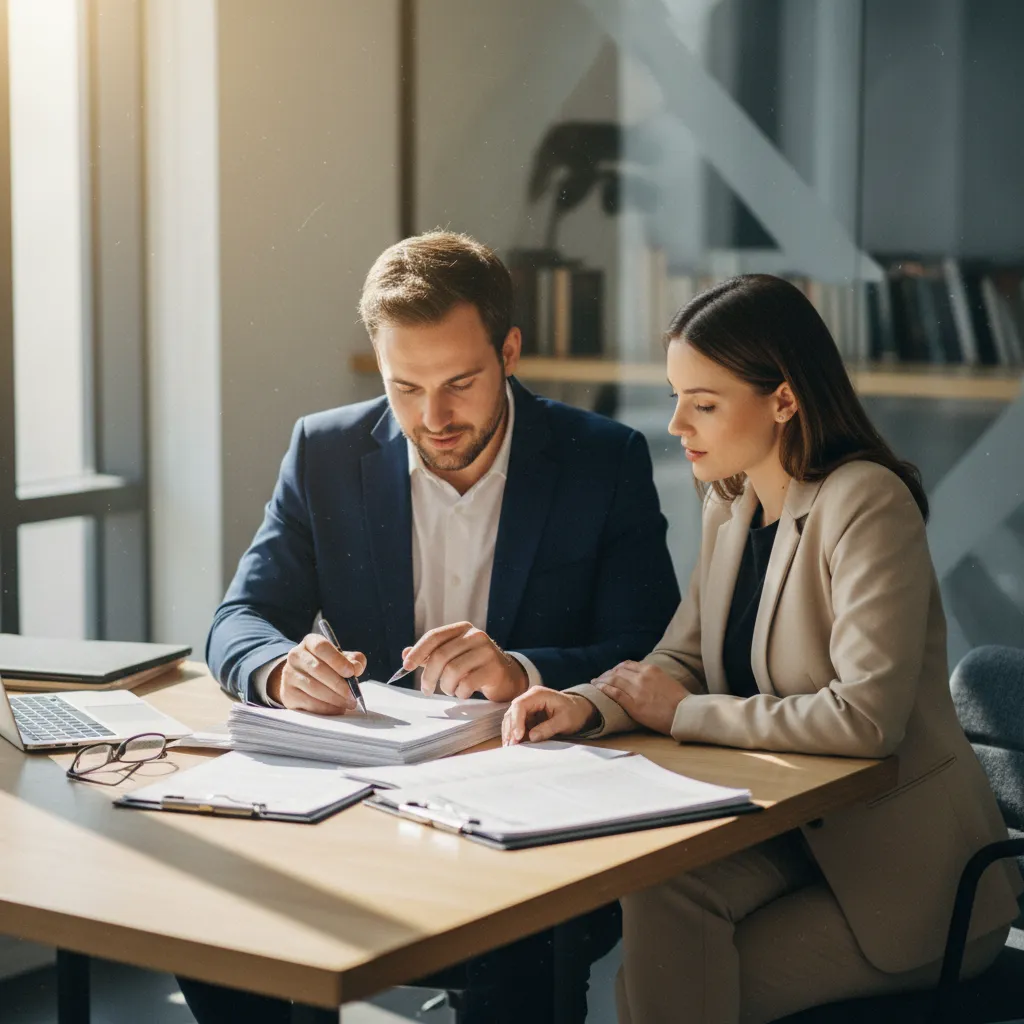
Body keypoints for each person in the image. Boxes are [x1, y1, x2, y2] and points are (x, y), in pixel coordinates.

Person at [180, 230, 681, 1024]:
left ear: (510, 351)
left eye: (460, 382)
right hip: (360, 813)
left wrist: (523, 669)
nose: (433, 417)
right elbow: (239, 619)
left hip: (531, 823)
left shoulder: (601, 459)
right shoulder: (326, 451)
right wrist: (281, 669)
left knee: (517, 962)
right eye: (403, 387)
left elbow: (653, 647)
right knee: (219, 933)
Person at [503, 274, 1023, 1024]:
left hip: (910, 881)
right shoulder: (732, 501)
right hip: (796, 833)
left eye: (704, 403)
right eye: (678, 396)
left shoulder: (867, 502)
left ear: (784, 399)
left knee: (678, 996)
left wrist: (687, 716)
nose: (678, 423)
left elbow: (865, 719)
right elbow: (678, 662)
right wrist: (582, 709)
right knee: (659, 888)